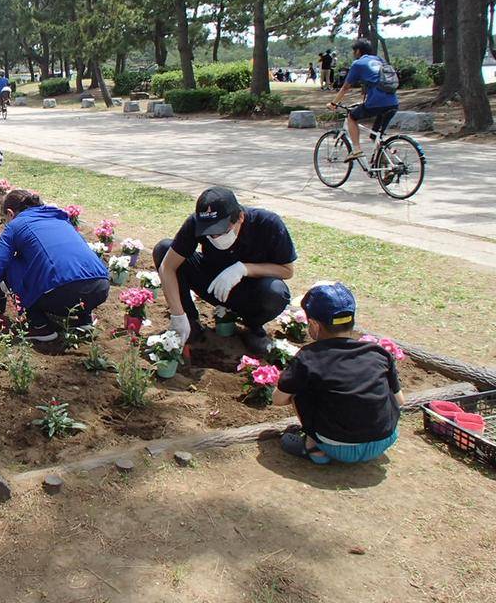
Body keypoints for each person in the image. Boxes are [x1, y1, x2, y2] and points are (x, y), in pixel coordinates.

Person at [152, 187, 296, 354]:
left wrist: (244, 269)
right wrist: (178, 315)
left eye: (221, 232)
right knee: (164, 249)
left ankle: (253, 327)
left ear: (240, 217)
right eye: (209, 234)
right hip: (212, 283)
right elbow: (167, 267)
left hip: (250, 292)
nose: (215, 238)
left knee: (276, 292)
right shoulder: (195, 224)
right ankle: (191, 322)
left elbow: (287, 270)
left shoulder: (268, 224)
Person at [273, 282, 404, 465]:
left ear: (314, 325)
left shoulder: (309, 357)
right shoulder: (377, 352)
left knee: (300, 390)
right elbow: (400, 401)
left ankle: (313, 446)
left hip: (336, 445)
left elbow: (278, 400)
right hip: (384, 440)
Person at [0, 189, 109, 341]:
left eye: (4, 218)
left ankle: (39, 325)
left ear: (10, 213)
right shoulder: (61, 219)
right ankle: (84, 320)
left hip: (62, 293)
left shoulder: (15, 225)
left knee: (11, 265)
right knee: (70, 267)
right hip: (101, 287)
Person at [327, 38, 399, 162]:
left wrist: (333, 103)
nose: (353, 54)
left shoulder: (358, 64)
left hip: (377, 102)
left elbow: (345, 87)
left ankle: (357, 150)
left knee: (352, 116)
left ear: (358, 51)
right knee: (376, 135)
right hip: (393, 102)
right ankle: (392, 163)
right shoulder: (379, 60)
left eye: (353, 51)